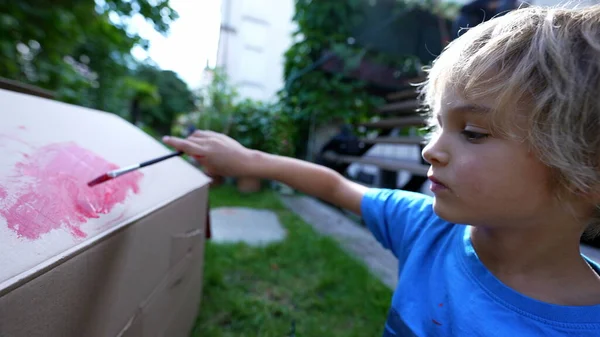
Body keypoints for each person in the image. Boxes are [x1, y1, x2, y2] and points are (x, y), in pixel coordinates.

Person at [163, 5, 600, 336]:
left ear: (587, 176)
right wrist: (248, 160)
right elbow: (334, 185)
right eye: (435, 125)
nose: (430, 150)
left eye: (472, 132)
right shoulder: (427, 230)